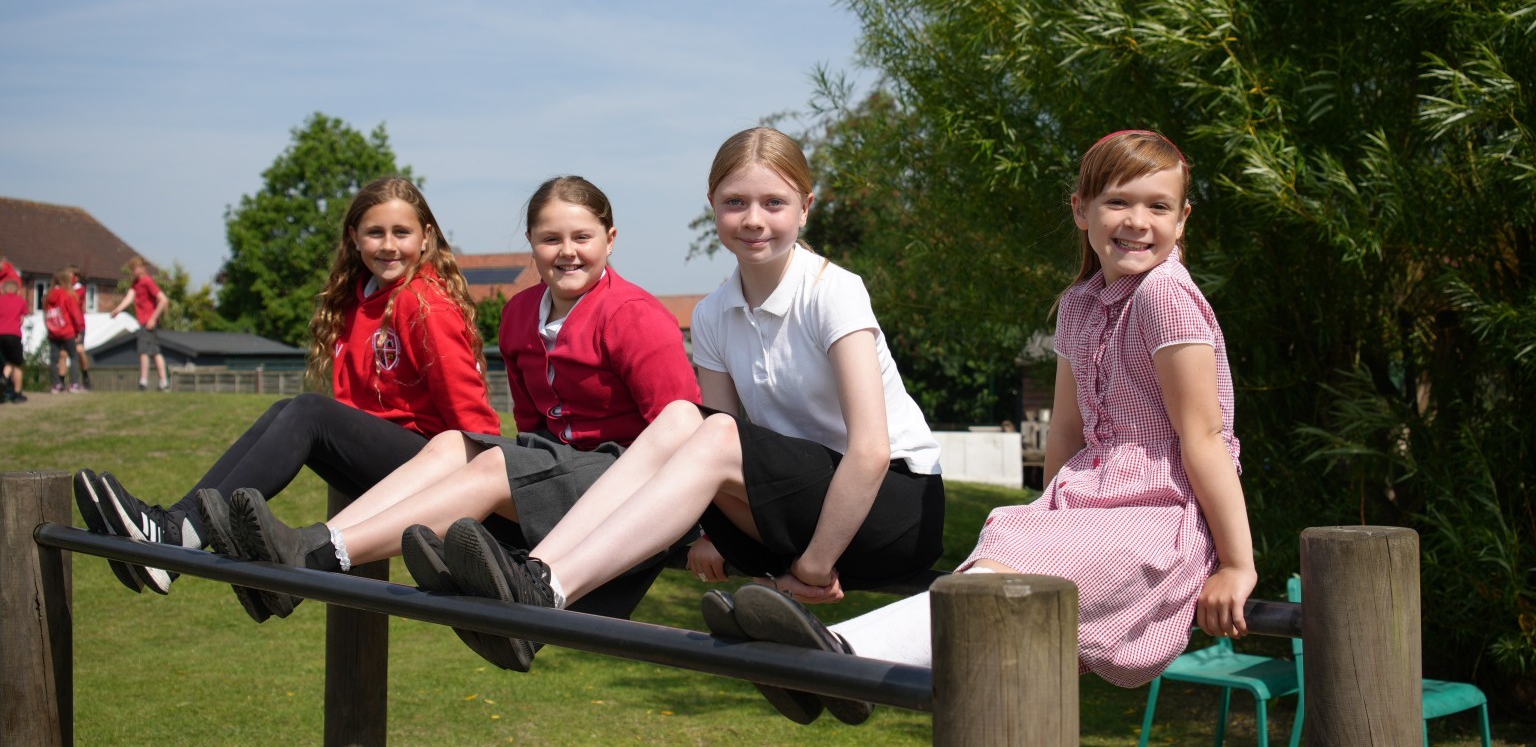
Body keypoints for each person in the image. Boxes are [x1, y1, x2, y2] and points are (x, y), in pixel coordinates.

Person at [708, 129, 1256, 725]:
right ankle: (830, 660)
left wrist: (1236, 563)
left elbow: (1202, 438)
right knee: (996, 570)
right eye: (1117, 202)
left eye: (1158, 206)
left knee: (996, 590)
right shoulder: (1081, 302)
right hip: (1087, 501)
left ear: (1183, 220)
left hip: (1159, 511)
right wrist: (1049, 514)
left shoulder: (1165, 296)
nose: (1136, 221)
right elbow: (1067, 435)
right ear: (1081, 209)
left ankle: (837, 658)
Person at [391, 127, 945, 694]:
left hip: (889, 507)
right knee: (684, 418)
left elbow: (872, 451)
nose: (754, 219)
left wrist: (814, 567)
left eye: (773, 202)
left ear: (805, 207)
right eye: (735, 202)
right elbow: (727, 443)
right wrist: (715, 531)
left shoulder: (833, 291)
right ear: (713, 209)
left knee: (701, 427)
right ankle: (538, 576)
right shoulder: (712, 315)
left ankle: (545, 590)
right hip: (795, 508)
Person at [221, 176, 700, 668]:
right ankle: (308, 551)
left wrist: (703, 534)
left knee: (493, 464)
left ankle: (317, 557)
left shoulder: (635, 314)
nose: (567, 252)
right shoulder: (518, 314)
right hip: (564, 469)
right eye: (550, 239)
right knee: (454, 444)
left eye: (582, 238)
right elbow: (533, 425)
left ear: (610, 239)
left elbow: (683, 431)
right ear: (532, 244)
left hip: (627, 479)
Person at [72, 177, 500, 611]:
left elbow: (472, 415)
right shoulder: (359, 301)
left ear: (426, 236)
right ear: (353, 238)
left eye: (401, 233)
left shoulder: (425, 303)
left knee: (310, 412)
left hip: (433, 470)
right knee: (288, 408)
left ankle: (176, 534)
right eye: (375, 232)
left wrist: (492, 500)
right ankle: (175, 529)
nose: (388, 245)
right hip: (389, 466)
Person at [109, 256, 170, 392]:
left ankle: (144, 381)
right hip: (143, 321)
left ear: (142, 268)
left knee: (144, 352)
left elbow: (163, 300)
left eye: (134, 268)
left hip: (147, 322)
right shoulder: (135, 283)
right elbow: (129, 297)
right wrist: (118, 309)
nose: (133, 271)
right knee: (154, 352)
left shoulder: (147, 281)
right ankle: (163, 382)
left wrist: (153, 318)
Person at [44, 268, 86, 393]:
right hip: (67, 331)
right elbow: (75, 313)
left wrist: (49, 329)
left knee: (53, 359)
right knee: (73, 356)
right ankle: (74, 384)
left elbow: (45, 314)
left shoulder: (47, 296)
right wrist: (79, 329)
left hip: (53, 331)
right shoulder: (68, 294)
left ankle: (56, 385)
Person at [0, 277, 27, 403]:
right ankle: (17, 394)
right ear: (17, 290)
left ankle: (3, 384)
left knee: (4, 362)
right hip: (14, 335)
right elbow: (21, 319)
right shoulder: (21, 302)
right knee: (16, 364)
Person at [65, 265, 92, 390]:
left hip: (78, 324)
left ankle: (85, 375)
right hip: (65, 325)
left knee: (80, 351)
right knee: (64, 354)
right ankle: (64, 381)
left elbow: (74, 300)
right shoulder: (62, 288)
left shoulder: (79, 289)